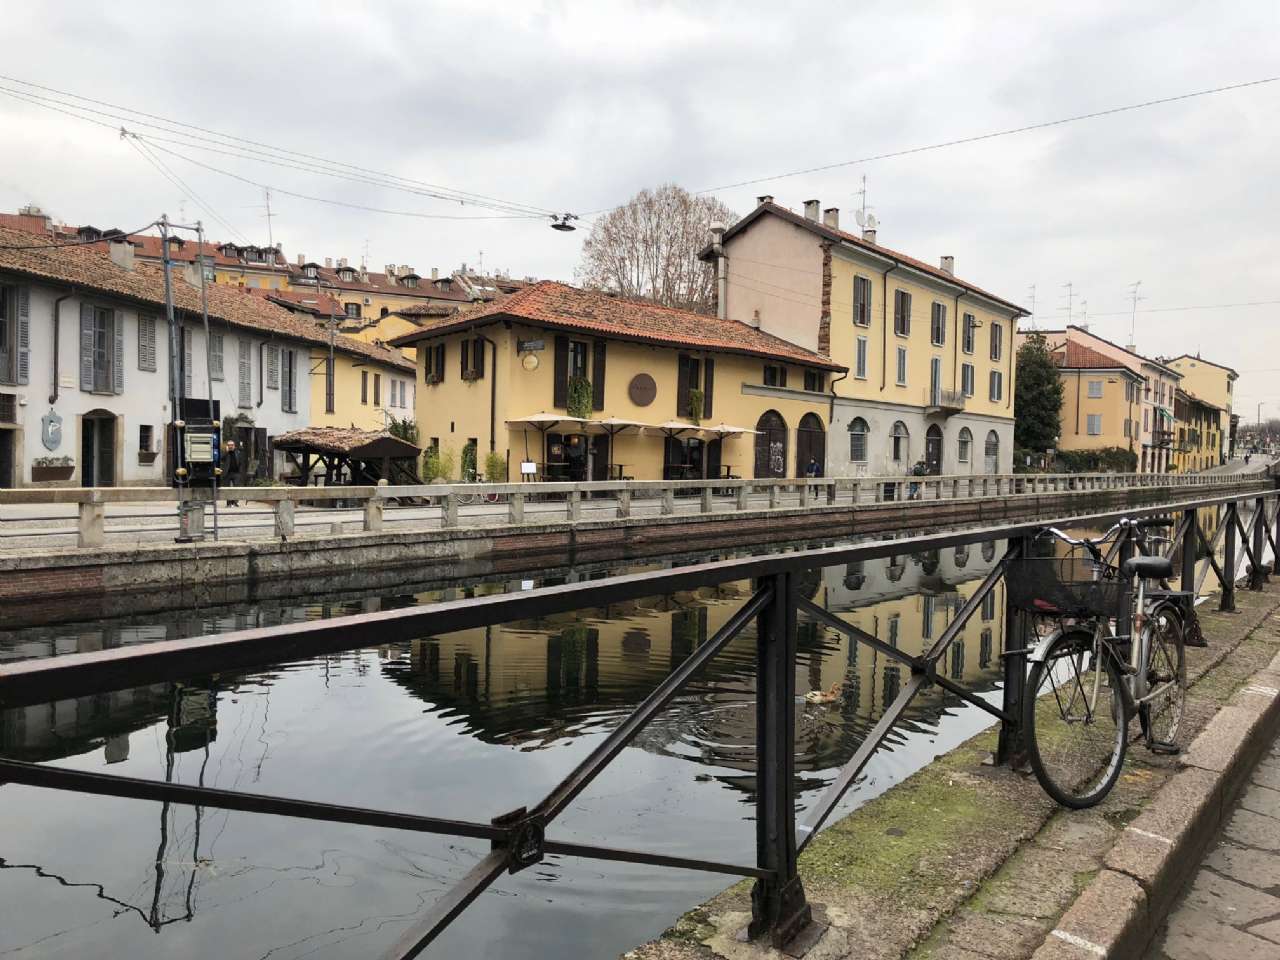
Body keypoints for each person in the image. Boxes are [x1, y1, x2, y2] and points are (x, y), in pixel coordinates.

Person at [224, 439, 241, 505]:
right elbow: (221, 459)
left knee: (236, 488)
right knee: (227, 489)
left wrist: (239, 471)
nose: (230, 446)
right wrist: (226, 452)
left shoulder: (237, 452)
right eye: (229, 445)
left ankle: (235, 502)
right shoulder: (225, 452)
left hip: (236, 473)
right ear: (227, 446)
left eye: (232, 445)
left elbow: (240, 462)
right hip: (227, 473)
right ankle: (228, 502)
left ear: (234, 446)